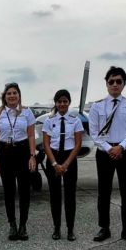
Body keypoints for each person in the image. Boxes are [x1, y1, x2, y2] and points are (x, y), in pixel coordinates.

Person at [88, 66, 126, 244]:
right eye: (111, 81)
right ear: (106, 84)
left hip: (125, 153)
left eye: (119, 81)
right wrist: (108, 148)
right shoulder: (97, 106)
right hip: (105, 153)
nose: (115, 84)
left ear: (124, 84)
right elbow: (93, 132)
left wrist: (121, 147)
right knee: (104, 192)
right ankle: (104, 227)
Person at [0, 82, 37, 240]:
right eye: (9, 93)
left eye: (14, 93)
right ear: (4, 97)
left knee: (24, 191)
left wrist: (32, 155)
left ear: (19, 95)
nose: (12, 96)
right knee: (8, 191)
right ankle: (12, 224)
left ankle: (23, 225)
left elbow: (31, 135)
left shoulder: (27, 112)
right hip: (5, 152)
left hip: (23, 151)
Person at [42, 89, 83, 240]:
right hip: (53, 157)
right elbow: (46, 145)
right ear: (56, 103)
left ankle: (70, 229)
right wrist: (54, 163)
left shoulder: (75, 120)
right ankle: (57, 228)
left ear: (69, 102)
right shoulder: (49, 120)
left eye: (65, 101)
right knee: (55, 195)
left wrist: (65, 164)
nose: (62, 104)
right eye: (59, 101)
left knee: (70, 195)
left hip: (69, 158)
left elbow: (78, 144)